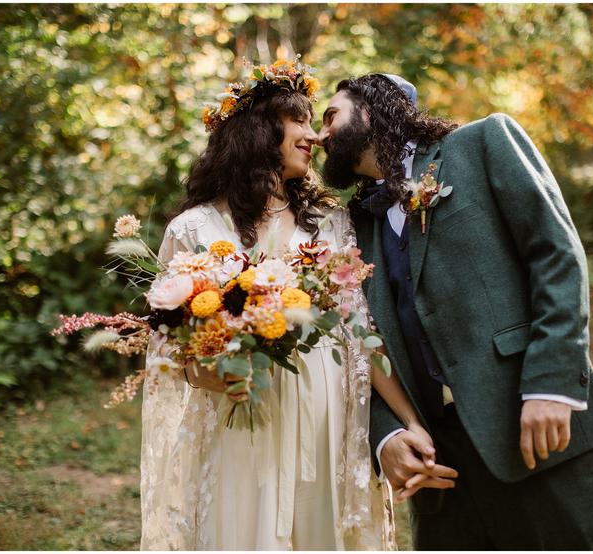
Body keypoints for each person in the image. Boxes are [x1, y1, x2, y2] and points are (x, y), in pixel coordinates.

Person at [139, 60, 444, 551]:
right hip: (243, 416)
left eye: (313, 121)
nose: (313, 136)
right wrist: (209, 372)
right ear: (259, 131)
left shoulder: (331, 222)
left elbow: (362, 331)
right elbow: (170, 350)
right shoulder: (193, 230)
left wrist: (410, 420)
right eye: (299, 121)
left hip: (327, 412)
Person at [317, 73, 593, 550]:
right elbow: (355, 341)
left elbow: (556, 255)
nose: (321, 134)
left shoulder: (481, 143)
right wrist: (386, 435)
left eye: (331, 115)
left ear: (371, 109)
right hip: (438, 466)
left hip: (529, 420)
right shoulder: (351, 225)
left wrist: (551, 384)